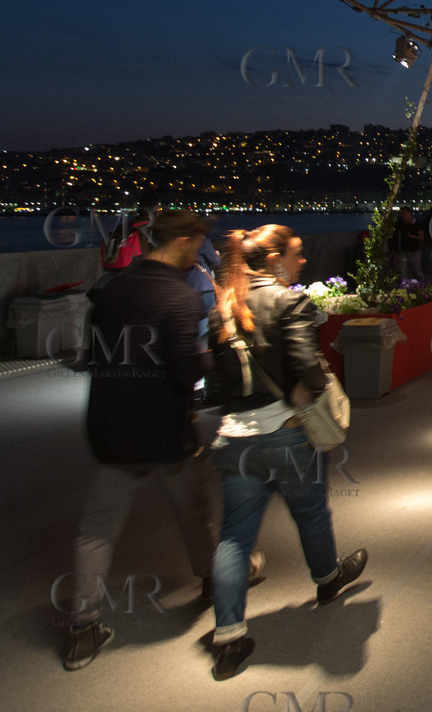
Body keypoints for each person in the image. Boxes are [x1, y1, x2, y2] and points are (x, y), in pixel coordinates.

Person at [63, 210, 221, 671]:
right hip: (164, 431)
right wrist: (216, 357)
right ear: (186, 243)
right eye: (197, 243)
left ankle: (83, 627)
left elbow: (96, 358)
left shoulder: (110, 291)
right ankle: (215, 579)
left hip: (111, 429)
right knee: (193, 510)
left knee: (96, 528)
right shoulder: (180, 299)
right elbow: (185, 372)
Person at [207, 225, 368, 680]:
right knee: (311, 512)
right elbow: (306, 368)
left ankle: (228, 638)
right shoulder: (287, 301)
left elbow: (216, 381)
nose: (301, 263)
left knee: (235, 538)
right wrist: (309, 392)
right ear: (274, 258)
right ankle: (327, 580)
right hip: (286, 432)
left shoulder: (223, 307)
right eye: (295, 256)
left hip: (233, 437)